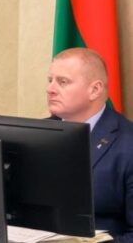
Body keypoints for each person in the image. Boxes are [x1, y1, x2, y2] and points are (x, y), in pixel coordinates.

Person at [47, 47, 133, 242]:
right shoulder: (36, 134)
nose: (50, 89)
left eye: (62, 81)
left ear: (95, 90)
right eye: (50, 80)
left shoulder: (128, 145)